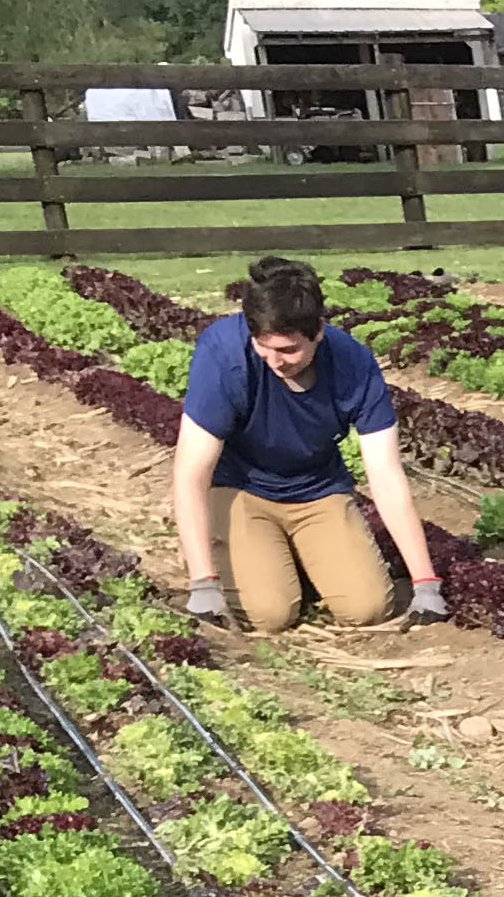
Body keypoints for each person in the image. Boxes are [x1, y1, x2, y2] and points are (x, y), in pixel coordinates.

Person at [170, 255, 443, 635]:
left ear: (318, 332)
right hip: (240, 489)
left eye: (289, 350)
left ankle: (297, 557)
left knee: (368, 608)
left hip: (318, 490)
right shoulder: (224, 355)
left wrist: (425, 583)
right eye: (265, 348)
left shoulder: (353, 364)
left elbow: (385, 474)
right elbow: (190, 473)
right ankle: (251, 555)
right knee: (270, 614)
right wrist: (203, 584)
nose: (275, 362)